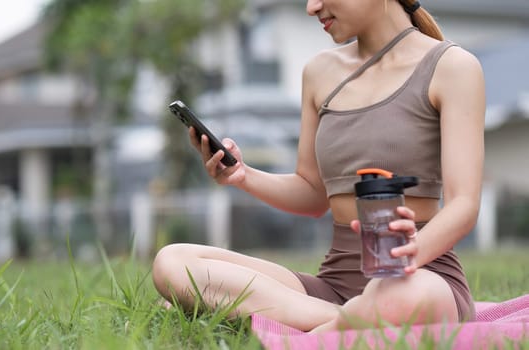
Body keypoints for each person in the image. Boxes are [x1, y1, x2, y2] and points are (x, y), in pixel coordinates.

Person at [152, 0, 485, 333]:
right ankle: (347, 322)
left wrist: (411, 252)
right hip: (331, 290)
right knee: (173, 262)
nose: (312, 7)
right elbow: (312, 193)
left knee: (404, 297)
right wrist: (244, 176)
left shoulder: (453, 67)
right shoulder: (319, 72)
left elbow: (464, 205)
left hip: (419, 277)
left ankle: (303, 323)